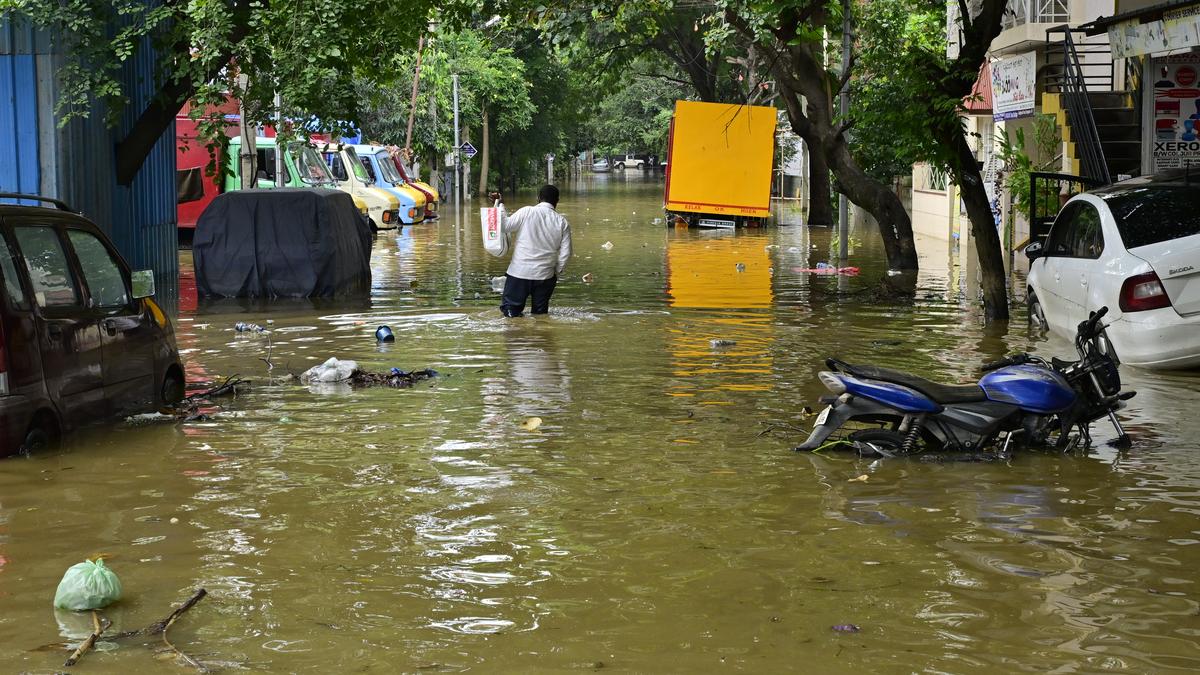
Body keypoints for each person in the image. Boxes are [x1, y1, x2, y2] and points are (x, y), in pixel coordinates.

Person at [490, 185, 572, 317]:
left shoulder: (527, 212)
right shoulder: (562, 222)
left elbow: (504, 226)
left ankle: (515, 334)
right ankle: (539, 336)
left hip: (519, 273)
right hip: (545, 276)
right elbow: (566, 254)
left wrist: (500, 205)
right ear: (557, 201)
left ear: (538, 198)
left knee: (511, 312)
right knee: (540, 316)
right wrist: (555, 271)